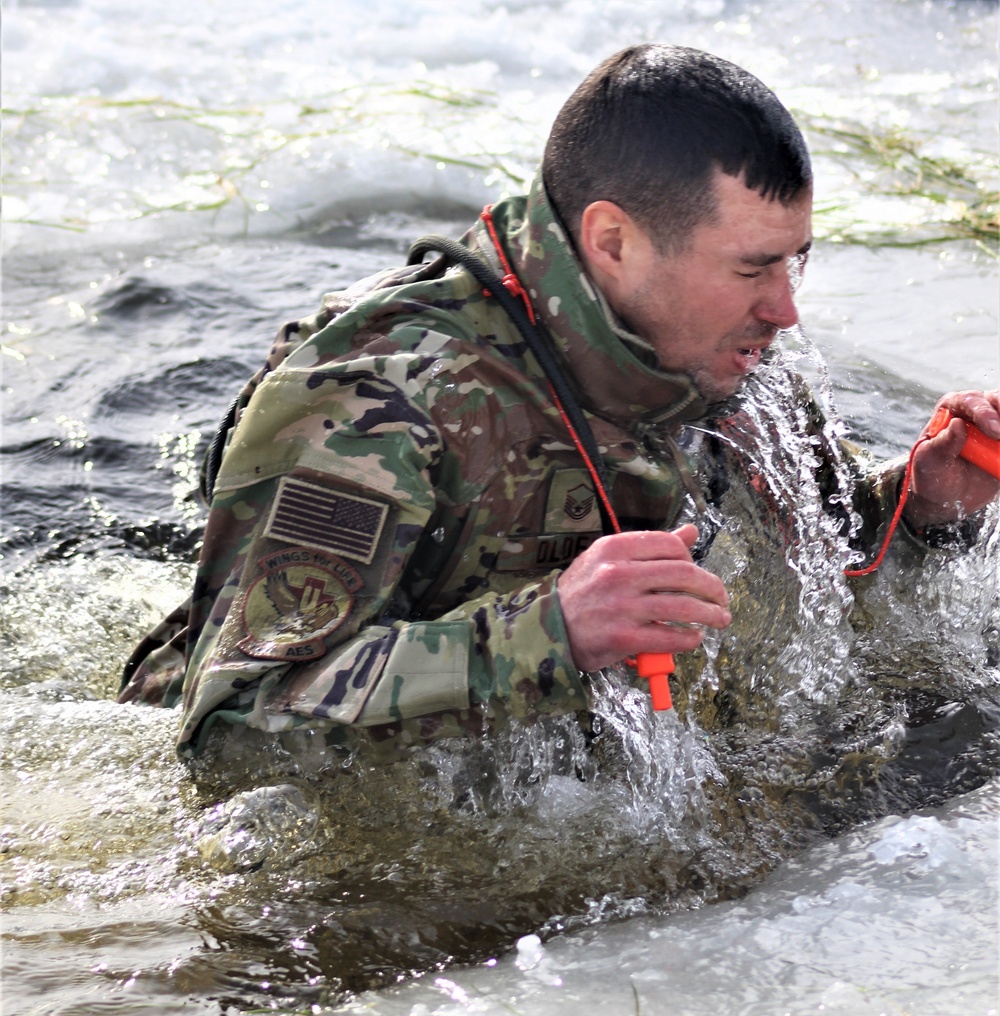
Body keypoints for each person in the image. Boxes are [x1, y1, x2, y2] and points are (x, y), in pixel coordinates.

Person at [119, 45, 1000, 757]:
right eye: (752, 267)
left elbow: (831, 578)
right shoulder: (379, 400)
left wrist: (921, 510)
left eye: (795, 259)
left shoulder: (736, 359)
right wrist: (549, 634)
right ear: (613, 241)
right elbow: (233, 727)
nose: (785, 306)